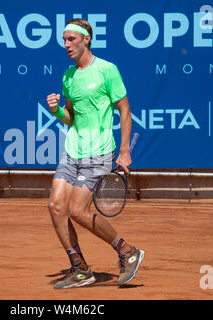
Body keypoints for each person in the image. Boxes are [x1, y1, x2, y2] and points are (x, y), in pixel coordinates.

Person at [46, 18, 144, 289]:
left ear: (86, 39)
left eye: (71, 39)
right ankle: (80, 269)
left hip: (99, 152)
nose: (66, 45)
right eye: (64, 40)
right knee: (56, 206)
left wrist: (124, 151)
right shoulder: (68, 76)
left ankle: (127, 251)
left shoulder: (107, 70)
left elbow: (125, 110)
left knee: (77, 211)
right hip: (72, 152)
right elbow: (71, 118)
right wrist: (56, 111)